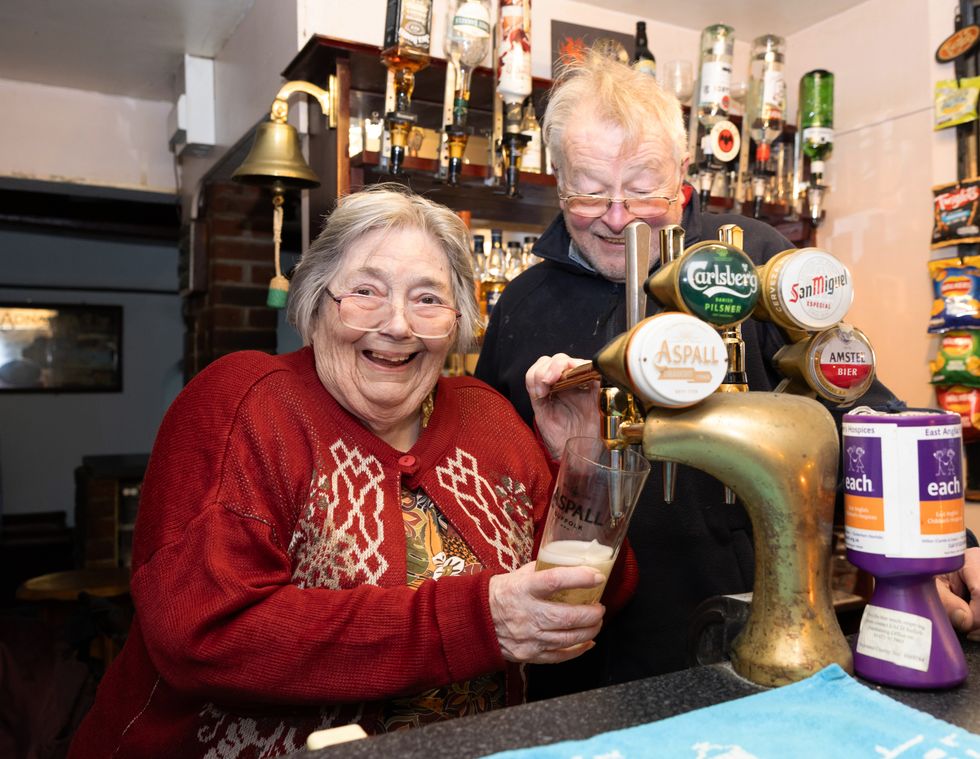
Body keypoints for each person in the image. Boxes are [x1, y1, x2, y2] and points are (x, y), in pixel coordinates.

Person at [476, 50, 980, 696]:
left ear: (684, 173)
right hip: (581, 664)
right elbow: (489, 497)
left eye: (643, 188)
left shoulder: (752, 260)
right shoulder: (522, 306)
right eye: (591, 190)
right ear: (556, 179)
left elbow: (857, 407)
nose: (619, 215)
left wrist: (951, 543)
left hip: (750, 635)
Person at [68, 185, 621, 759]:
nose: (398, 325)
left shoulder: (487, 416)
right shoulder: (243, 403)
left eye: (428, 299)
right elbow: (204, 634)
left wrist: (577, 459)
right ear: (315, 300)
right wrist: (480, 620)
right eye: (366, 292)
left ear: (459, 320)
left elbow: (590, 590)